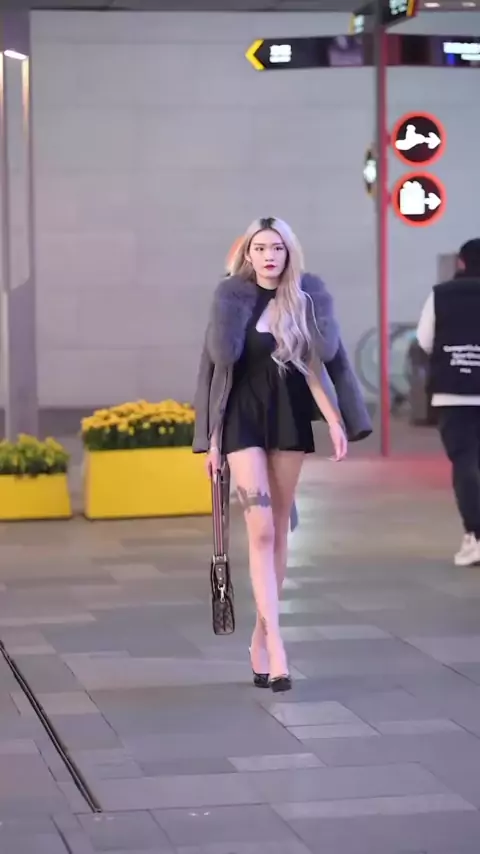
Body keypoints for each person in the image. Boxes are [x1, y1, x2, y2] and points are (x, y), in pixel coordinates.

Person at [193, 217, 371, 692]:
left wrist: (336, 422)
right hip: (241, 421)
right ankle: (277, 649)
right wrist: (212, 442)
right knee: (262, 529)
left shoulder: (302, 299)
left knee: (280, 525)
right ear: (247, 254)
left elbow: (314, 368)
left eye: (277, 248)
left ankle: (261, 633)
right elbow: (215, 375)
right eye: (261, 248)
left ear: (289, 253)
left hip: (288, 417)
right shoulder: (231, 301)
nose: (269, 255)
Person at [417, 238, 480, 567]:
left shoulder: (441, 294)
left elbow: (424, 340)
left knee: (466, 462)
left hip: (454, 392)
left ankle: (476, 536)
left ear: (461, 262)